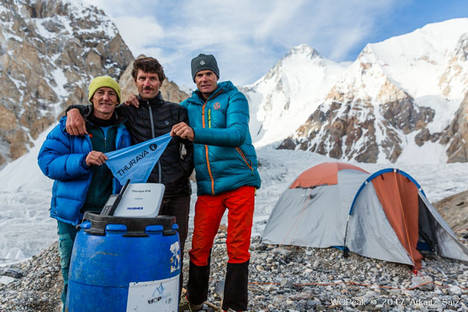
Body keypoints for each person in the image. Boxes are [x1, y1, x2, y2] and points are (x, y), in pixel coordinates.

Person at [65, 57, 194, 296]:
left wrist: (182, 173)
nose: (147, 83)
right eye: (142, 78)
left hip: (177, 194)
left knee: (174, 249)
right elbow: (98, 112)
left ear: (160, 82)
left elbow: (191, 148)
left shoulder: (177, 111)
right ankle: (143, 303)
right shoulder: (127, 111)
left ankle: (172, 302)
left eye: (152, 78)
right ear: (135, 81)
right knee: (140, 250)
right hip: (140, 196)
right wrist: (74, 110)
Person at [171, 54, 261, 312]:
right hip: (209, 187)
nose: (204, 78)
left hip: (239, 181)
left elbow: (237, 134)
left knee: (238, 245)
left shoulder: (234, 98)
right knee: (199, 245)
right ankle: (195, 300)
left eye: (208, 73)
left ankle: (233, 305)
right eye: (199, 75)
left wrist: (195, 133)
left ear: (216, 75)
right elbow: (163, 115)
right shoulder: (187, 106)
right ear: (194, 79)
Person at [37, 76, 132, 310]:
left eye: (111, 94)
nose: (106, 98)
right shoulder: (70, 126)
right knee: (73, 273)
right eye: (100, 93)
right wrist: (82, 160)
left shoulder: (123, 129)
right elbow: (47, 162)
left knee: (104, 272)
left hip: (108, 215)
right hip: (73, 215)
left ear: (117, 99)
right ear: (91, 97)